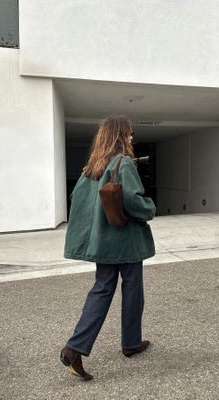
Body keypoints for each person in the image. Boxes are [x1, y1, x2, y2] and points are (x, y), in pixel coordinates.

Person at [60, 115, 156, 380]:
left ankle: (75, 347)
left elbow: (78, 201)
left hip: (102, 243)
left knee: (101, 290)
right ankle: (131, 343)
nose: (132, 137)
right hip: (125, 241)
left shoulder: (91, 167)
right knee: (133, 290)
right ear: (120, 136)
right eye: (129, 133)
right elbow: (134, 201)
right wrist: (150, 208)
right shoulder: (124, 163)